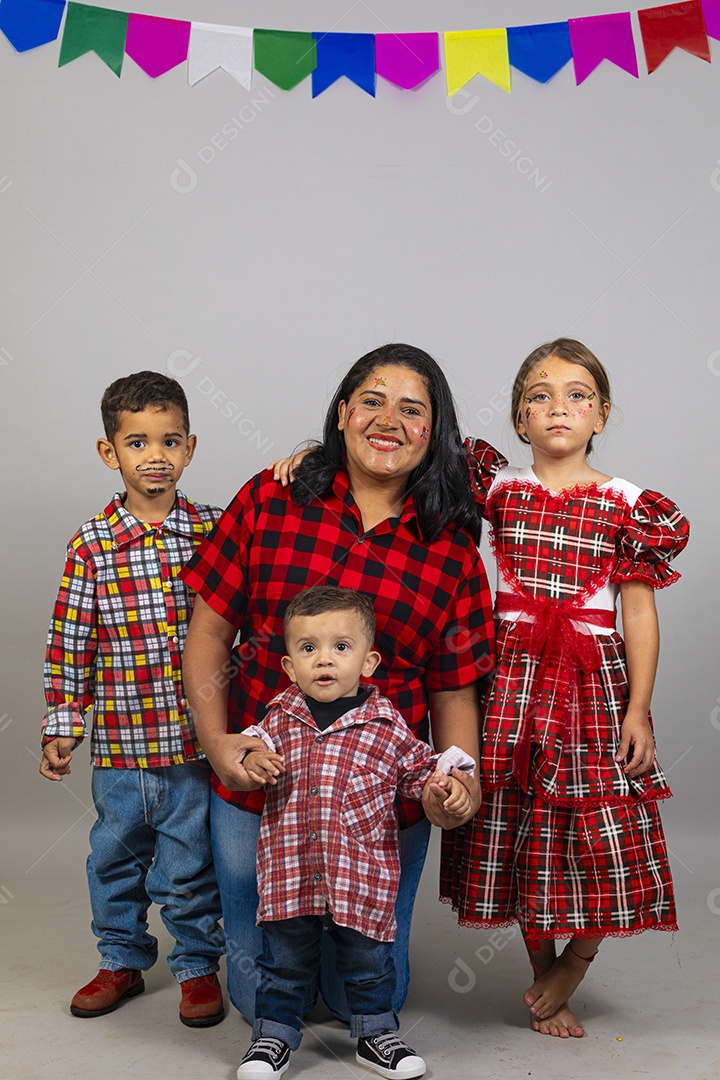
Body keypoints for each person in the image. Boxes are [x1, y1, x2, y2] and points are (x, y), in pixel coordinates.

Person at [180, 343, 495, 1033]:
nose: (389, 420)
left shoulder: (452, 551)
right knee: (261, 1000)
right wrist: (216, 741)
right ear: (344, 412)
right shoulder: (271, 498)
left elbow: (453, 692)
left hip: (379, 804)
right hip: (260, 785)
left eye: (411, 409)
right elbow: (208, 632)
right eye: (372, 401)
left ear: (434, 431)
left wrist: (458, 780)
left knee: (364, 1001)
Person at [438, 339, 690, 1038]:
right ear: (520, 417)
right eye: (539, 395)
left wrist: (638, 708)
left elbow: (638, 613)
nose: (558, 407)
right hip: (509, 681)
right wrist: (311, 456)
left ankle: (575, 963)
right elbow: (406, 456)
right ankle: (541, 966)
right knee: (520, 825)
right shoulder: (496, 487)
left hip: (591, 685)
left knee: (600, 832)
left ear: (601, 414)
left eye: (578, 395)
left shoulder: (629, 505)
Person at [41, 371, 225, 1027]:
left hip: (192, 747)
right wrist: (64, 724)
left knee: (189, 866)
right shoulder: (92, 545)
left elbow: (246, 621)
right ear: (109, 451)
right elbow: (71, 642)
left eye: (169, 441)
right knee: (113, 860)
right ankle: (121, 959)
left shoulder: (213, 531)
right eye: (137, 442)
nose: (155, 456)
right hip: (121, 750)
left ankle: (197, 966)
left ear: (190, 447)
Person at [235, 585, 476, 1079]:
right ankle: (273, 1037)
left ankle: (376, 1035)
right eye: (309, 648)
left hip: (360, 879)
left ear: (368, 662)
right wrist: (253, 761)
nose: (324, 660)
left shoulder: (386, 727)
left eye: (341, 647)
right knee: (282, 963)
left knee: (370, 963)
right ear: (289, 667)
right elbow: (247, 752)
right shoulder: (278, 719)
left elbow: (420, 772)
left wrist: (444, 788)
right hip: (290, 877)